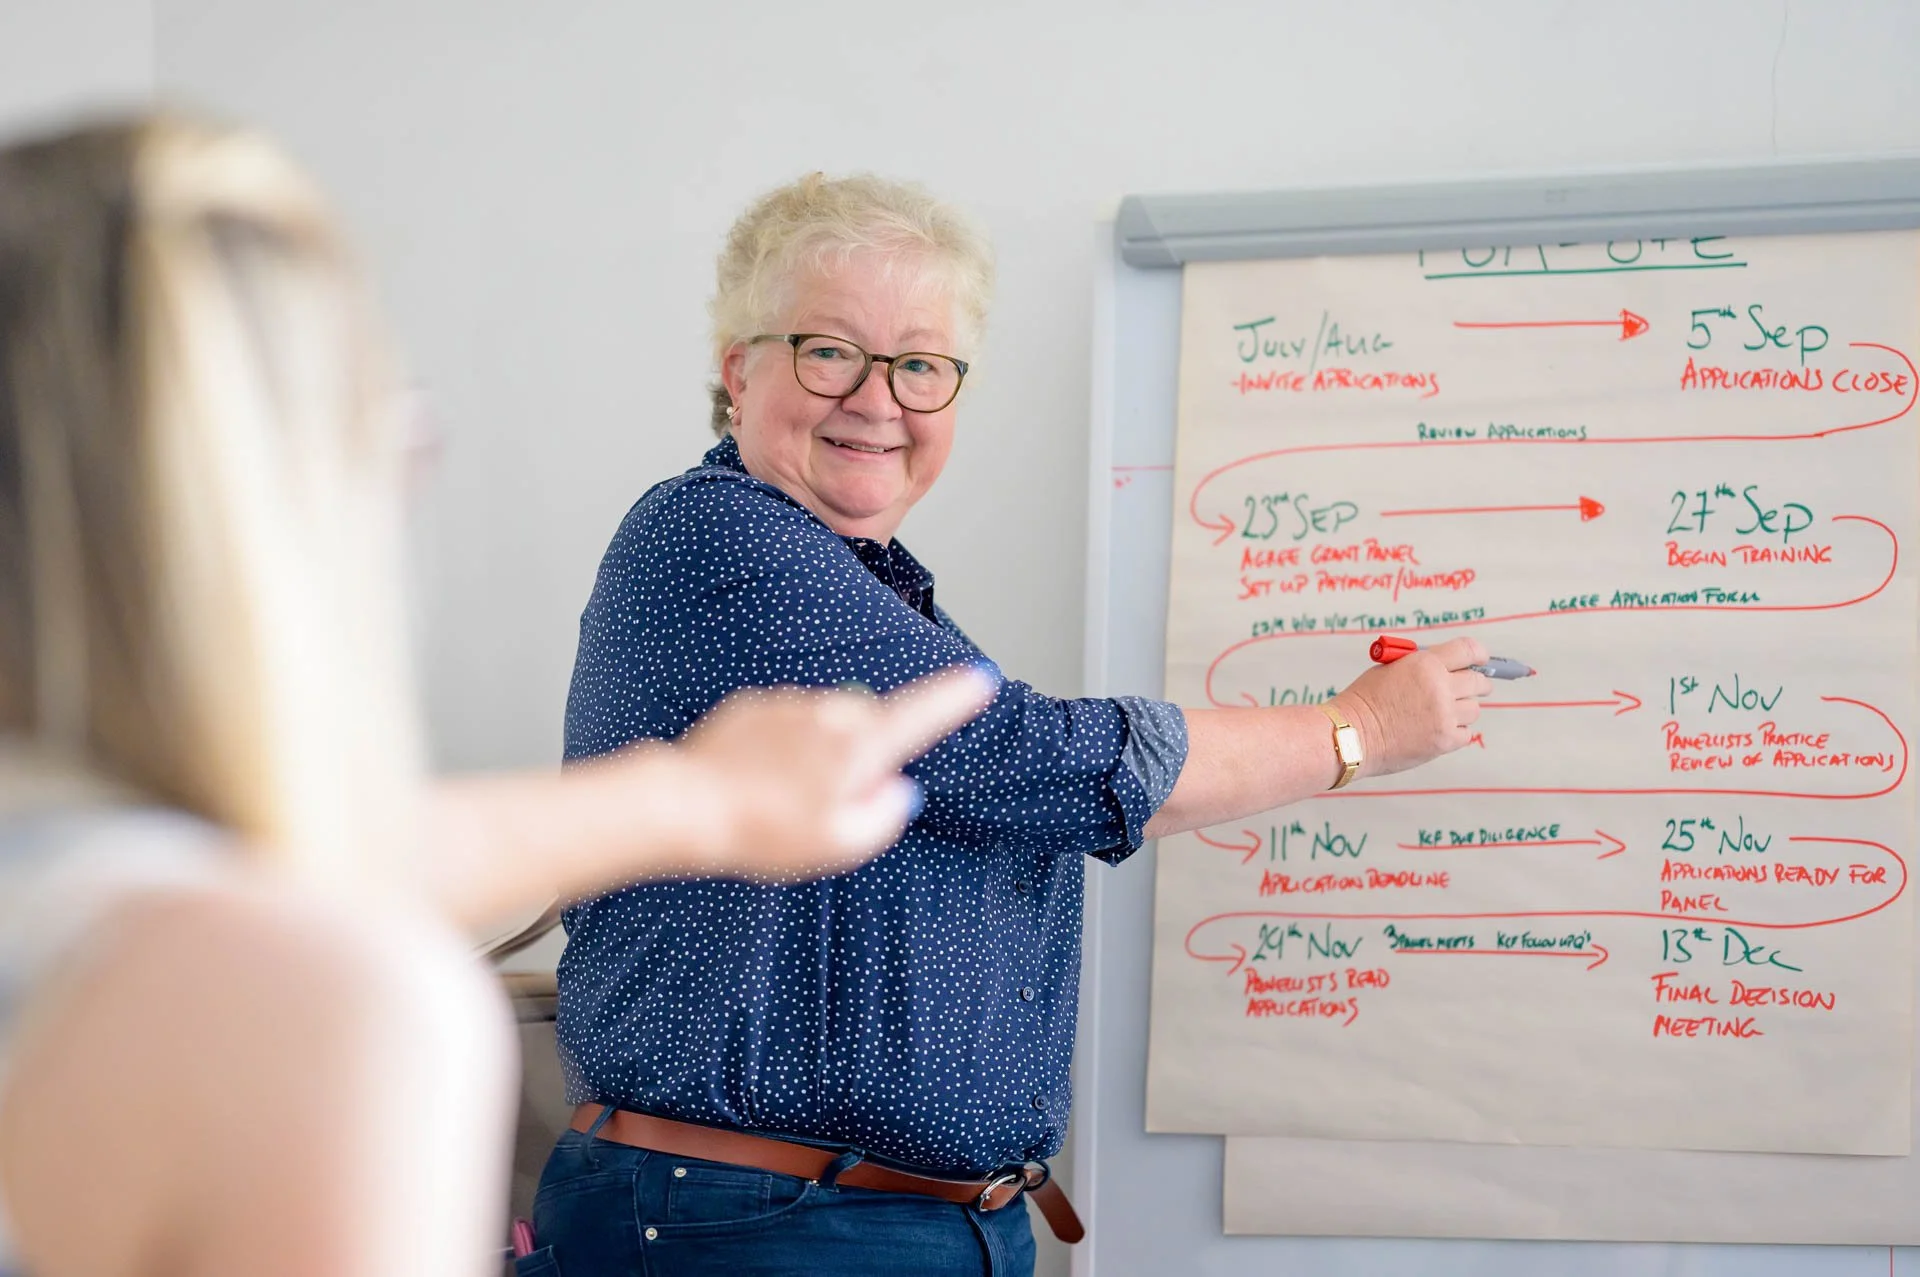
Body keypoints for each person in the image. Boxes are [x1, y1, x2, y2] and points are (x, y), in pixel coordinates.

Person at [0, 116, 991, 1277]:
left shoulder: (103, 901)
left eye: (918, 362)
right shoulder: (325, 1011)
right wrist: (701, 800)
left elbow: (228, 870)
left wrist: (697, 798)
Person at [537, 171, 1494, 1276]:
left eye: (921, 366)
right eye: (829, 349)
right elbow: (1034, 761)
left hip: (878, 1220)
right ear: (737, 367)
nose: (878, 398)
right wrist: (1354, 730)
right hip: (767, 1223)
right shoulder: (722, 541)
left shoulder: (873, 590)